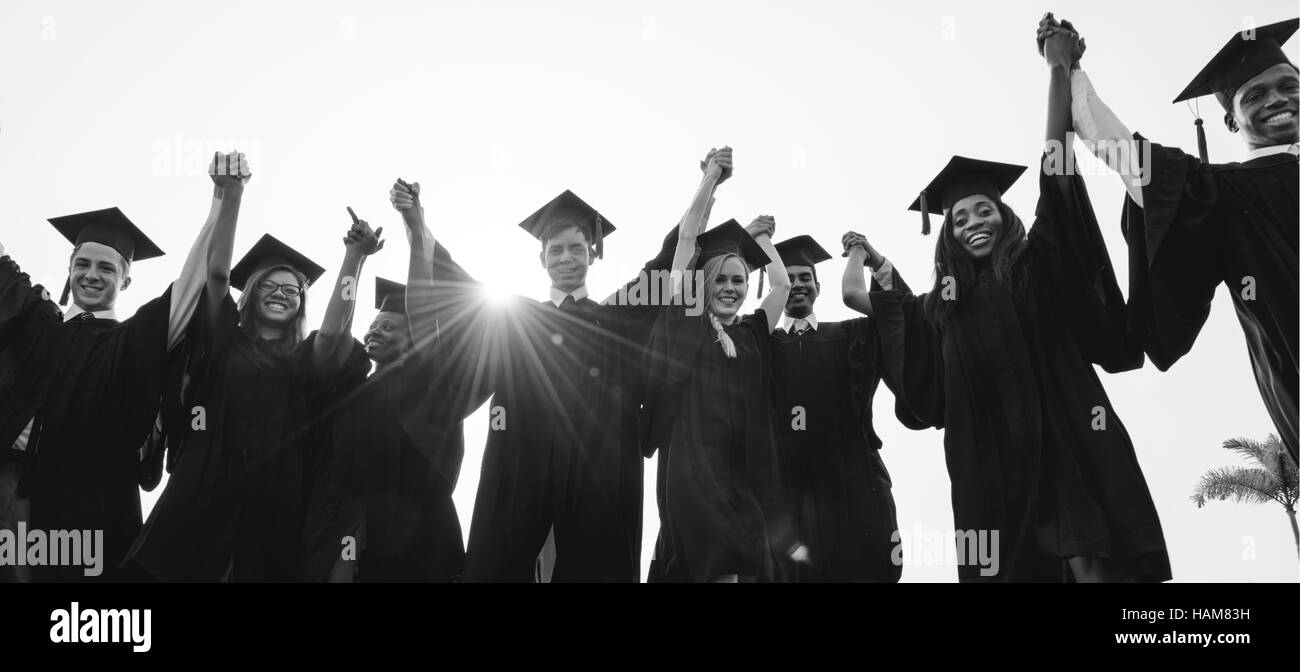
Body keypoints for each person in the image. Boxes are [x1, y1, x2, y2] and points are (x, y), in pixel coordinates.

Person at [841, 27, 1169, 582]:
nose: (973, 223)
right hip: (987, 469)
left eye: (983, 210)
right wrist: (865, 254)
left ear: (1005, 214)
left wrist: (1057, 68)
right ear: (946, 237)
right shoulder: (937, 309)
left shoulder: (1036, 263)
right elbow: (857, 296)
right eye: (960, 219)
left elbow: (1056, 166)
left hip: (1068, 436)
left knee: (1090, 557)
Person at [1048, 14, 1299, 463]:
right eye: (1255, 95)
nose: (1277, 100)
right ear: (1230, 119)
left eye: (1289, 86)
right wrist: (1069, 70)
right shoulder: (1221, 195)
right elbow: (1118, 148)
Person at [0, 151, 249, 581]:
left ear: (126, 279)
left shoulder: (131, 340)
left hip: (74, 510)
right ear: (69, 268)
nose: (91, 275)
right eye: (82, 264)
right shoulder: (38, 318)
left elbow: (190, 287)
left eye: (105, 268)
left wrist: (221, 201)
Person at [426, 184, 676, 582]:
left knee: (599, 563)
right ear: (541, 257)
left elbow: (664, 267)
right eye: (556, 250)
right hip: (520, 457)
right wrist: (415, 222)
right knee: (497, 560)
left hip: (598, 467)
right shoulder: (516, 317)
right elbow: (457, 281)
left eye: (576, 248)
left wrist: (707, 186)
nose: (566, 258)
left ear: (593, 253)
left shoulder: (615, 317)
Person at [125, 219, 376, 581]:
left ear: (302, 302)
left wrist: (354, 258)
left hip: (274, 504)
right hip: (203, 489)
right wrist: (231, 194)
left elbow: (335, 331)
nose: (280, 294)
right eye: (269, 286)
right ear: (253, 292)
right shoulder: (224, 342)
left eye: (292, 290)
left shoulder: (305, 361)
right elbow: (215, 279)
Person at [303, 180, 480, 582]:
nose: (373, 331)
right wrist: (353, 259)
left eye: (387, 325)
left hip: (420, 538)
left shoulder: (428, 380)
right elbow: (331, 334)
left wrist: (415, 229)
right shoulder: (352, 385)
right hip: (351, 532)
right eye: (372, 324)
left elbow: (422, 311)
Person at [642, 145, 794, 582]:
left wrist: (762, 242)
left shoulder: (750, 336)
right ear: (704, 284)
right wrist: (709, 179)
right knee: (711, 561)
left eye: (739, 281)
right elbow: (688, 242)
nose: (730, 288)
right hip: (691, 469)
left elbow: (780, 284)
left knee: (747, 562)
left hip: (740, 474)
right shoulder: (686, 317)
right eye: (721, 280)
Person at [767, 234, 909, 582]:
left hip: (855, 488)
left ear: (818, 286)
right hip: (784, 496)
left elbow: (899, 313)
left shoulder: (855, 336)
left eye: (806, 278)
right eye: (790, 279)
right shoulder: (759, 344)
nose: (798, 285)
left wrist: (871, 258)